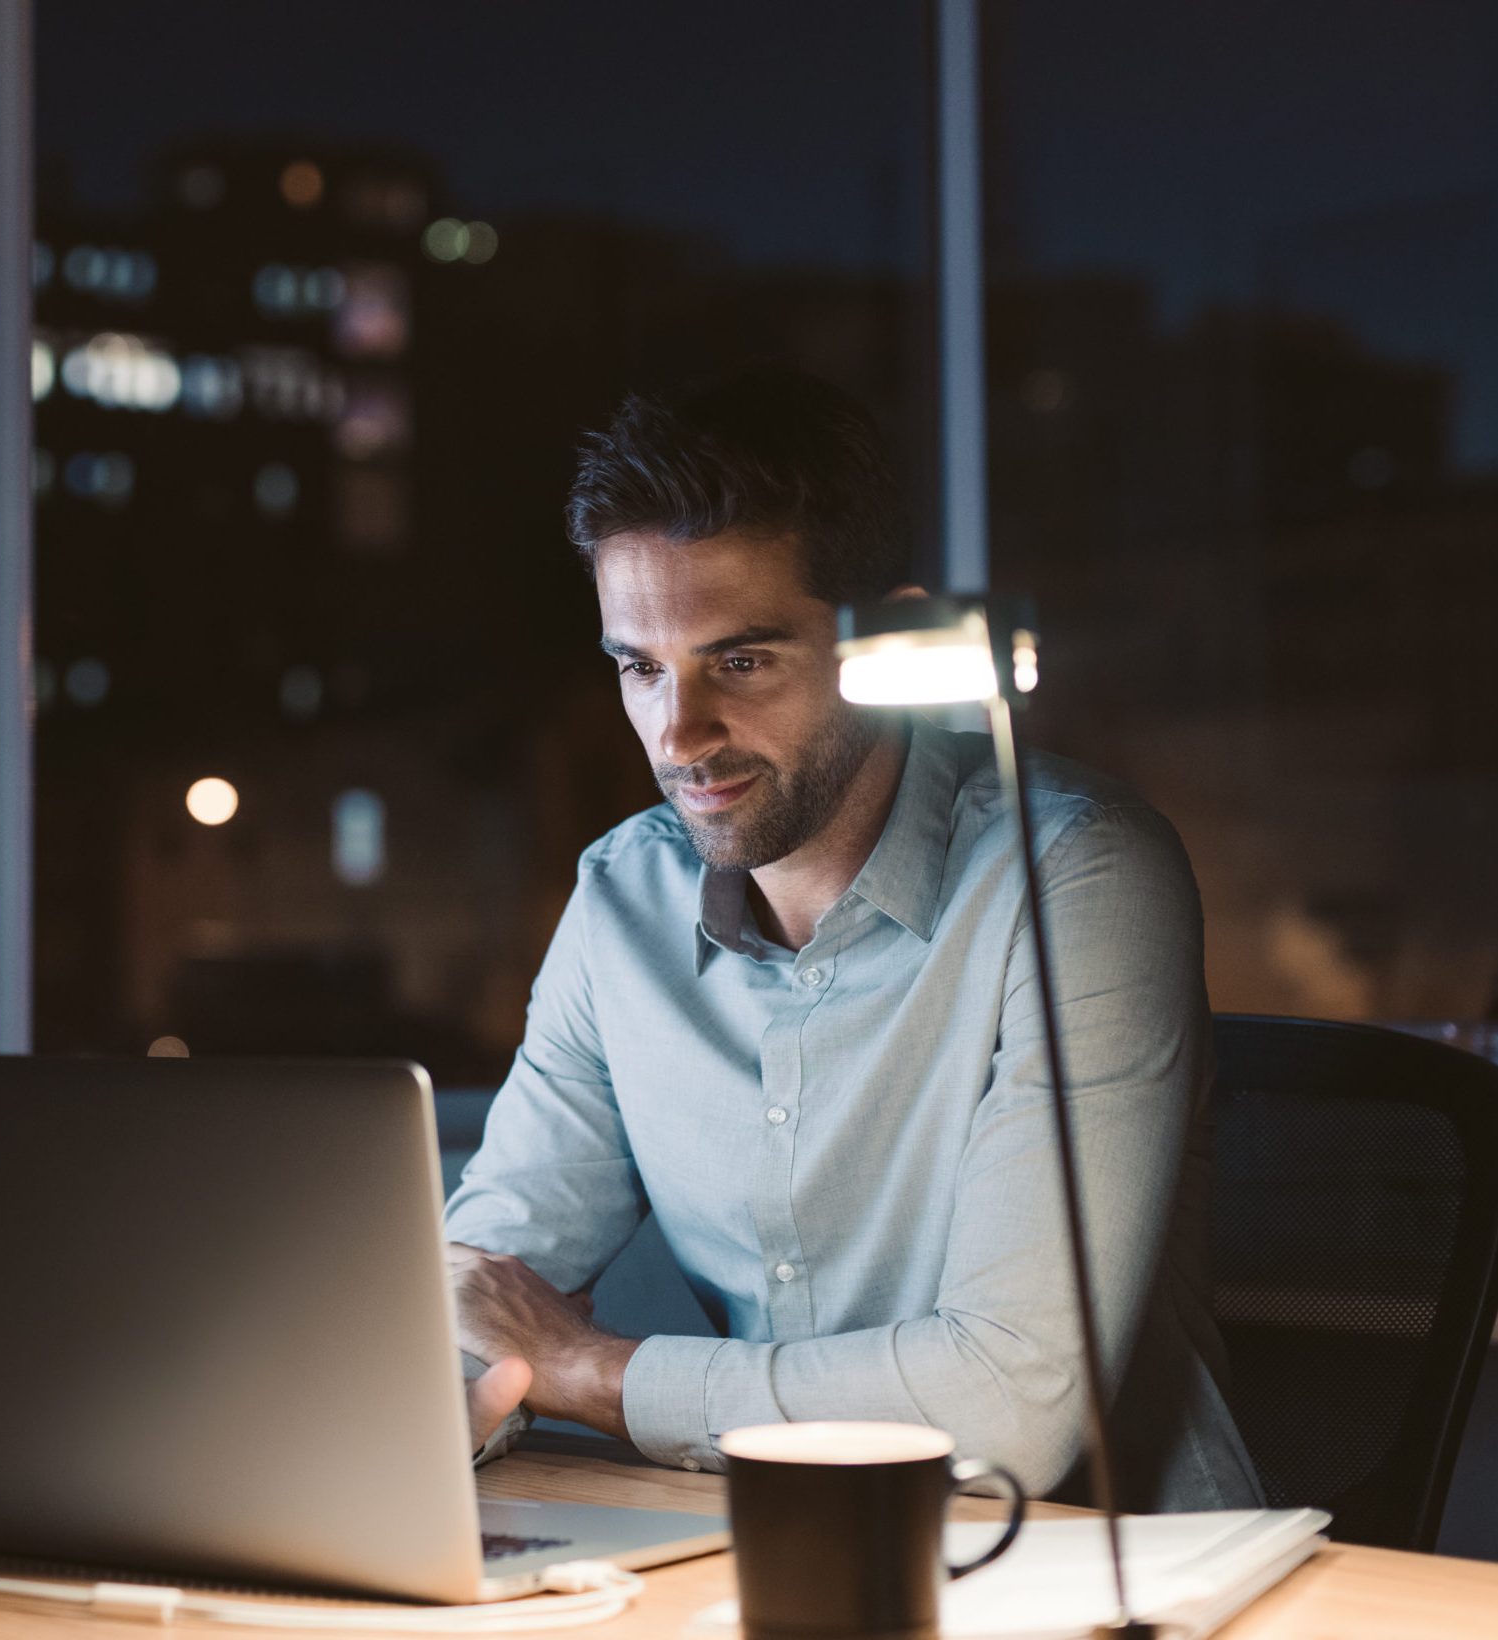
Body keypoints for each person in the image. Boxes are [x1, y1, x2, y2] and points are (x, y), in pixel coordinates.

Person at [443, 371, 1263, 1511]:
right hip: (765, 1539)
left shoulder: (1075, 875)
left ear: (887, 641)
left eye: (739, 661)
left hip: (1091, 1554)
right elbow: (473, 1294)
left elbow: (1006, 1406)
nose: (677, 734)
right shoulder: (620, 899)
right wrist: (437, 1391)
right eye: (639, 667)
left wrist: (589, 1371)